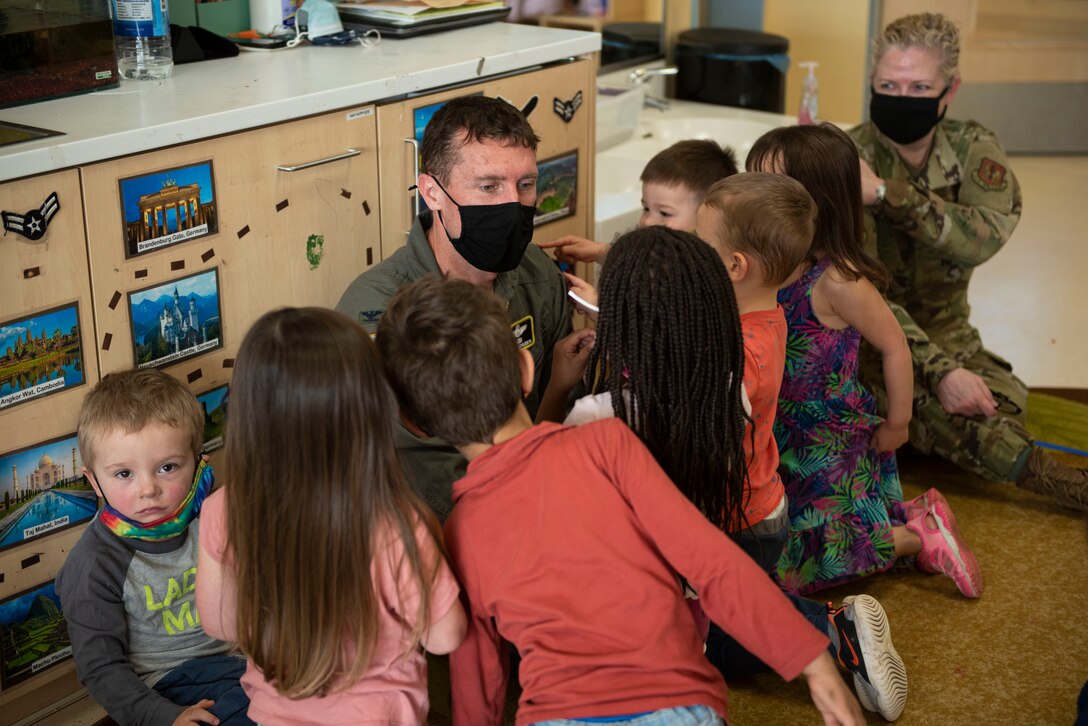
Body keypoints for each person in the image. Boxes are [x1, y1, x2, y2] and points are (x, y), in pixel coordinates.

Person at [375, 275, 864, 726]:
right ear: (526, 370)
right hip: (677, 705)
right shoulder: (606, 444)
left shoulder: (459, 531)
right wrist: (811, 662)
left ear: (418, 425)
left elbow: (478, 678)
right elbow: (713, 563)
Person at [564, 224, 909, 722]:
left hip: (678, 571)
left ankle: (831, 628)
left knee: (715, 643)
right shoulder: (726, 383)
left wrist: (558, 385)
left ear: (620, 321)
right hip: (744, 526)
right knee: (726, 607)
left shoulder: (597, 415)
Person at [850, 12, 1087, 511]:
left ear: (950, 90)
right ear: (871, 82)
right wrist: (941, 375)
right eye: (888, 84)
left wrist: (888, 194)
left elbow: (981, 240)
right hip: (868, 344)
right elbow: (864, 298)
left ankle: (909, 432)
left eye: (919, 86)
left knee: (1002, 401)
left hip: (949, 332)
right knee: (950, 408)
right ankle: (1064, 484)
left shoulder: (973, 148)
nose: (902, 98)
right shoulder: (849, 157)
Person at [194, 307, 466, 724]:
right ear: (368, 413)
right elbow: (446, 637)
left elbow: (222, 624)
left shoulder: (222, 510)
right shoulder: (395, 522)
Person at [748, 123, 983, 602]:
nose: (754, 198)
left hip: (825, 431)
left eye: (768, 188)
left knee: (807, 566)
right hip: (779, 423)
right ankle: (906, 518)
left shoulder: (837, 281)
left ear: (816, 202)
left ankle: (921, 536)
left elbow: (896, 347)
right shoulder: (773, 258)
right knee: (792, 529)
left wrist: (899, 424)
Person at [335, 95, 573, 520]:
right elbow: (411, 469)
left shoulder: (538, 274)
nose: (514, 204)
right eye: (488, 186)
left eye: (526, 184)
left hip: (539, 503)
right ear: (432, 193)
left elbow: (565, 413)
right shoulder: (377, 311)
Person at [55, 369, 252, 726]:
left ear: (198, 464)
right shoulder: (95, 563)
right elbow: (101, 668)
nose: (148, 490)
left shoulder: (213, 515)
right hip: (167, 684)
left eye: (167, 467)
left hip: (238, 660)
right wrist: (164, 717)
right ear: (94, 481)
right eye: (124, 474)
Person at [539, 138, 738, 266]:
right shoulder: (669, 250)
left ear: (710, 215)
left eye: (665, 213)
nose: (648, 221)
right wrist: (599, 251)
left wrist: (595, 307)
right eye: (645, 208)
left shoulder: (701, 270)